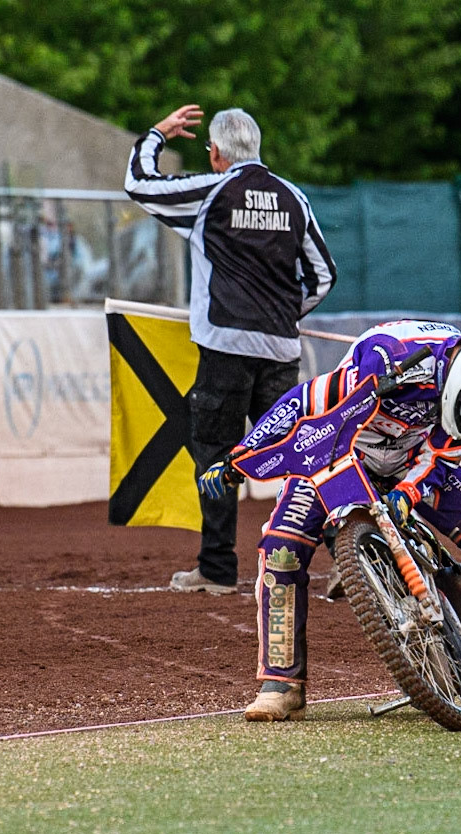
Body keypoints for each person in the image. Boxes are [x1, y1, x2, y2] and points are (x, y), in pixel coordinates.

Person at [198, 319, 461, 723]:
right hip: (335, 457)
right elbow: (304, 400)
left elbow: (442, 455)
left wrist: (408, 492)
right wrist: (242, 455)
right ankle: (281, 686)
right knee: (280, 549)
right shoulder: (391, 358)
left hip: (411, 466)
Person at [125, 104, 337, 595]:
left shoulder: (209, 192)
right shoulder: (294, 198)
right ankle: (350, 560)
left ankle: (218, 568)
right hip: (282, 349)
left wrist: (157, 133)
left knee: (216, 455)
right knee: (302, 455)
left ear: (215, 153)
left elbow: (139, 183)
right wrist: (284, 316)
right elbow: (323, 276)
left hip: (224, 346)